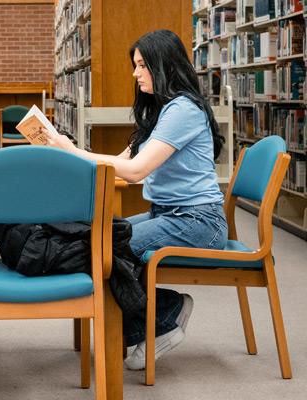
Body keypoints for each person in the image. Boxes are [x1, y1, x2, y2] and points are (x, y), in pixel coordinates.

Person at [48, 29, 228, 370]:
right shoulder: (161, 111)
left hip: (198, 222)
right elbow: (117, 165)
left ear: (165, 66)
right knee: (99, 240)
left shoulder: (184, 110)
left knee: (104, 247)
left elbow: (134, 171)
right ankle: (156, 319)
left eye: (142, 65)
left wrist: (72, 152)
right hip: (171, 214)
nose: (135, 73)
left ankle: (164, 315)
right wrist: (67, 158)